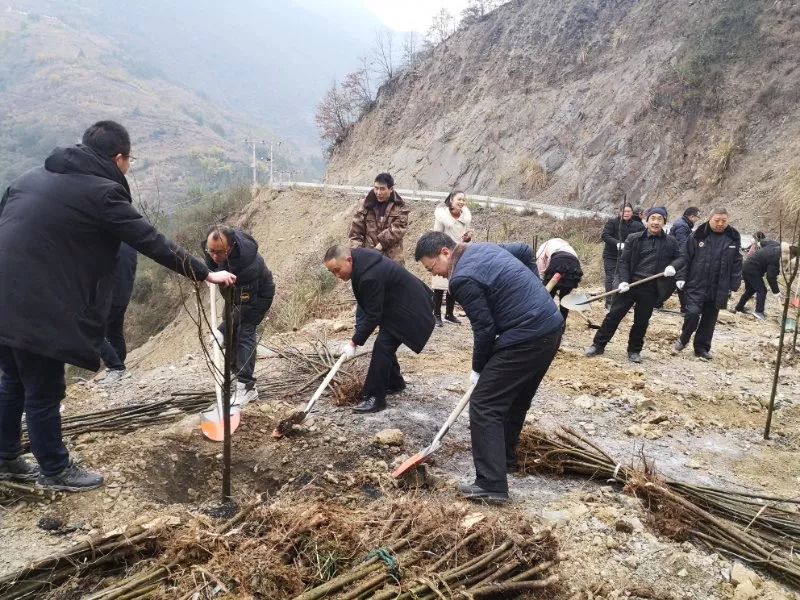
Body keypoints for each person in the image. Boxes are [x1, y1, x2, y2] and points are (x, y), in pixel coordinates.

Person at [0, 121, 236, 492]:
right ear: (119, 158)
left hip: (4, 298)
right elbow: (151, 240)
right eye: (129, 161)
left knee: (12, 380)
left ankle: (7, 456)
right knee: (44, 389)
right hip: (38, 307)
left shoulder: (30, 177)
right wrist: (205, 273)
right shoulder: (102, 193)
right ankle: (55, 469)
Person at [415, 232, 563, 504]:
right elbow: (522, 248)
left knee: (485, 403)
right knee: (516, 398)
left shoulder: (461, 279)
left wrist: (477, 369)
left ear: (445, 253)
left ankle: (491, 484)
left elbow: (484, 330)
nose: (435, 274)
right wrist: (535, 287)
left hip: (526, 335)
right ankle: (505, 460)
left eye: (431, 267)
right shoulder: (480, 248)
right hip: (550, 326)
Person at [324, 245, 435, 414]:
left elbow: (372, 316)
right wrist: (358, 334)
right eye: (332, 273)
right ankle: (395, 382)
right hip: (401, 304)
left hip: (411, 310)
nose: (337, 275)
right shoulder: (360, 259)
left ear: (348, 260)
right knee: (385, 344)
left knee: (382, 347)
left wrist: (354, 342)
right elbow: (367, 308)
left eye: (337, 270)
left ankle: (375, 398)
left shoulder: (369, 276)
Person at [586, 208, 683, 363]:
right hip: (630, 285)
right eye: (653, 218)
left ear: (664, 222)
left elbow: (680, 258)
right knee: (613, 316)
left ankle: (634, 350)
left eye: (660, 219)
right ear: (647, 220)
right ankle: (598, 345)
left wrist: (672, 267)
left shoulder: (670, 242)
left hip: (651, 288)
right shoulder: (634, 238)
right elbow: (624, 262)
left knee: (642, 321)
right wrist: (624, 280)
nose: (656, 222)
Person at [202, 225, 275, 407]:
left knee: (244, 332)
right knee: (230, 336)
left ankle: (247, 388)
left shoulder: (247, 266)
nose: (215, 257)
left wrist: (222, 329)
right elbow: (211, 265)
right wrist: (209, 274)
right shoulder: (213, 248)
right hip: (233, 295)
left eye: (219, 253)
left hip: (256, 298)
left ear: (232, 247)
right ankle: (237, 375)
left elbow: (244, 310)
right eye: (211, 251)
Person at [674, 208, 742, 360]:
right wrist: (681, 276)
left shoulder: (733, 237)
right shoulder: (698, 235)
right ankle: (684, 338)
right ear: (710, 219)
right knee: (692, 313)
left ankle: (701, 348)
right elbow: (685, 257)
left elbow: (737, 262)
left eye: (723, 221)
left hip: (719, 286)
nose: (720, 224)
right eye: (717, 220)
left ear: (728, 220)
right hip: (696, 283)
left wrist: (734, 284)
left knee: (709, 319)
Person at [431, 190, 472, 326]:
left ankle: (449, 314)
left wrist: (467, 238)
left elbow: (466, 235)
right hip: (443, 253)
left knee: (453, 284)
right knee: (439, 285)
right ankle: (436, 314)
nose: (461, 202)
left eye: (463, 200)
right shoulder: (443, 216)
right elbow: (436, 234)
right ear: (451, 200)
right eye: (459, 199)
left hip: (458, 253)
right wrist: (438, 252)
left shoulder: (465, 217)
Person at [348, 172, 409, 264]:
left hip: (392, 260)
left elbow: (398, 229)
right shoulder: (365, 205)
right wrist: (357, 255)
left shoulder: (400, 206)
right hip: (369, 259)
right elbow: (356, 233)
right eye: (376, 188)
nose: (378, 193)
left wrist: (379, 246)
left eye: (382, 189)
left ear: (391, 189)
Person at [99, 243, 138, 384]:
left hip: (110, 292)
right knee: (114, 330)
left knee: (90, 329)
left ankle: (116, 367)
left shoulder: (111, 244)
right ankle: (118, 369)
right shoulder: (127, 242)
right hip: (123, 291)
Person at [601, 203, 645, 307]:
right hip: (611, 256)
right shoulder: (612, 222)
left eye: (628, 211)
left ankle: (621, 301)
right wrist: (617, 242)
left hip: (627, 257)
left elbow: (643, 238)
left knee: (624, 278)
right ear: (620, 212)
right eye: (624, 211)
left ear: (632, 212)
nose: (626, 213)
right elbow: (605, 235)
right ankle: (609, 302)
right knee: (611, 278)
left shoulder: (638, 225)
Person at [734, 242, 793, 320]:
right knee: (762, 290)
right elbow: (770, 277)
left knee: (750, 290)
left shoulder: (775, 245)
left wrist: (759, 244)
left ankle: (739, 307)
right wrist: (776, 292)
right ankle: (758, 312)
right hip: (752, 270)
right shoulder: (775, 258)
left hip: (748, 266)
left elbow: (764, 241)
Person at [536, 237, 583, 322]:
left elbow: (540, 263)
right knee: (564, 299)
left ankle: (542, 321)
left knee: (546, 297)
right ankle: (561, 325)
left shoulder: (545, 245)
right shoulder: (565, 244)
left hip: (558, 261)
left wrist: (542, 280)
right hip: (574, 266)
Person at [665, 207, 701, 312]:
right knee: (679, 281)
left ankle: (658, 302)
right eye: (697, 217)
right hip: (677, 257)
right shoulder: (682, 226)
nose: (697, 220)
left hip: (675, 256)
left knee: (673, 282)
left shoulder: (684, 224)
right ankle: (685, 308)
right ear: (692, 216)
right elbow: (683, 245)